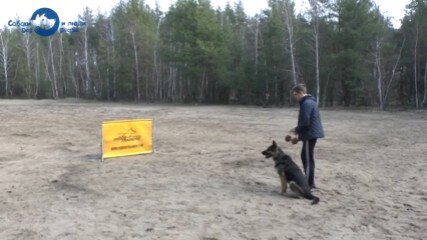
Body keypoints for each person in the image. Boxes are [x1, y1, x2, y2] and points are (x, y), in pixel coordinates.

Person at [291, 84, 324, 189]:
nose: (295, 97)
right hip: (311, 133)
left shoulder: (306, 103)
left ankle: (309, 184)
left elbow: (305, 122)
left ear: (300, 92)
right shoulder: (310, 101)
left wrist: (296, 130)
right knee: (306, 157)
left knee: (307, 158)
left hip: (310, 134)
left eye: (295, 95)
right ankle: (310, 183)